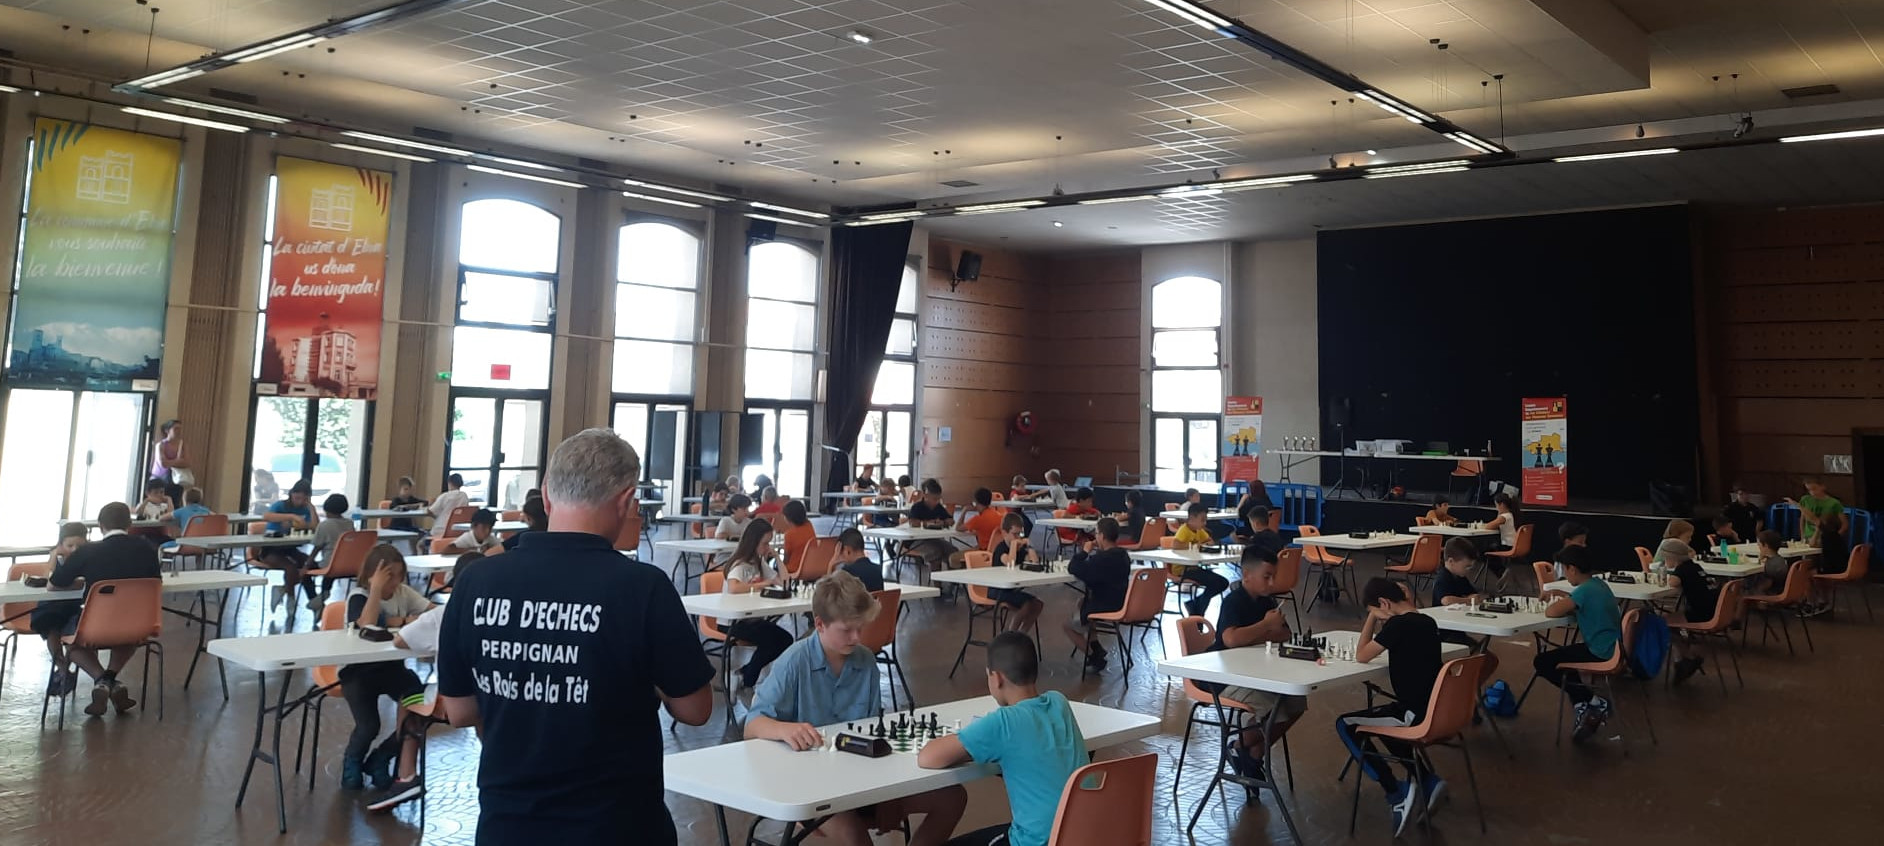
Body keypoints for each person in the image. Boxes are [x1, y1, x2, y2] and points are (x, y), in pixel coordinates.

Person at [438, 429, 713, 843]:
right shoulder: (643, 589)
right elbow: (695, 710)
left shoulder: (476, 581)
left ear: (547, 496)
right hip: (618, 826)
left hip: (508, 825)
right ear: (626, 500)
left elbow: (459, 712)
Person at [747, 572, 967, 846]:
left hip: (861, 781)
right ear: (820, 624)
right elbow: (752, 725)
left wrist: (888, 794)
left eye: (860, 628)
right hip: (811, 788)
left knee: (952, 797)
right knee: (853, 834)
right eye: (847, 630)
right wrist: (783, 728)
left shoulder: (865, 661)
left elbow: (876, 736)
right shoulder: (793, 662)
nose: (856, 637)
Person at [918, 632, 1085, 846]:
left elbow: (928, 757)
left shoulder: (1003, 722)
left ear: (996, 678)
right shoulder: (1059, 702)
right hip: (1080, 835)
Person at [1337, 578, 1445, 836]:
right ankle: (1428, 781)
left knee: (1345, 724)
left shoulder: (1397, 626)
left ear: (1384, 603)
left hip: (1414, 713)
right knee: (1386, 719)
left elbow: (1362, 655)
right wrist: (1390, 606)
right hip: (1436, 709)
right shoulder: (1427, 622)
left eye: (1375, 610)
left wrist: (1372, 618)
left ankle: (1395, 793)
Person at [340, 545, 434, 808]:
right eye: (388, 576)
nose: (395, 582)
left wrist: (397, 620)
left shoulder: (404, 592)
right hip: (357, 672)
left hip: (392, 669)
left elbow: (431, 611)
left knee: (420, 710)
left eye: (399, 575)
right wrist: (377, 591)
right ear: (372, 575)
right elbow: (367, 624)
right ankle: (352, 761)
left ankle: (381, 757)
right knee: (369, 725)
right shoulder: (359, 595)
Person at [46, 502, 160, 716]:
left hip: (96, 627)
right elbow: (156, 581)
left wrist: (80, 583)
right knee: (129, 637)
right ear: (129, 523)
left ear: (100, 526)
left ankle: (102, 679)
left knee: (73, 640)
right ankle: (110, 681)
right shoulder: (148, 548)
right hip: (137, 625)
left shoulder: (89, 551)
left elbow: (54, 584)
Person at [1201, 546, 1305, 780]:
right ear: (1247, 575)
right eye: (1266, 577)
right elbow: (1231, 639)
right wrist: (1265, 627)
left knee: (1297, 702)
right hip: (1223, 675)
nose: (1271, 583)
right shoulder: (1234, 600)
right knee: (1275, 709)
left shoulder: (1267, 602)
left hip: (1256, 671)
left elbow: (1284, 634)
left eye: (1273, 577)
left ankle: (1251, 750)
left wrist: (1261, 633)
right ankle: (1237, 746)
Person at [1535, 546, 1622, 743]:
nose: (1565, 575)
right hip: (1613, 647)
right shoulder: (1598, 584)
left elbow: (1551, 612)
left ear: (1572, 569)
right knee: (1565, 661)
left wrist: (1561, 597)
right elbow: (1579, 604)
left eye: (1564, 570)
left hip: (1600, 651)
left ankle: (1594, 702)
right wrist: (1564, 595)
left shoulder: (1584, 591)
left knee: (1542, 661)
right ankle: (1582, 705)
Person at [719, 520, 794, 693]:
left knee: (785, 640)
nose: (767, 547)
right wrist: (763, 584)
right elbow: (734, 587)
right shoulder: (740, 563)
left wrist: (776, 556)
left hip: (750, 618)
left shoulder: (758, 562)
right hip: (732, 621)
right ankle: (748, 680)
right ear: (754, 542)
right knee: (771, 641)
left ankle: (745, 674)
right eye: (765, 543)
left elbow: (783, 580)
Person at [1063, 516, 1131, 672]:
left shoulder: (1101, 559)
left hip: (1106, 604)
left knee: (1066, 625)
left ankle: (1094, 656)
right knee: (1082, 602)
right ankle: (1096, 647)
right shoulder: (1123, 556)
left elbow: (1074, 568)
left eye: (1096, 533)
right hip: (1121, 600)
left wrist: (1084, 552)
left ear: (1102, 536)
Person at [31, 522, 91, 697]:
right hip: (53, 604)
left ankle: (64, 672)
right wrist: (55, 557)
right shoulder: (56, 557)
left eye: (79, 546)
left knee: (71, 628)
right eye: (69, 545)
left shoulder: (88, 557)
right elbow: (49, 577)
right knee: (50, 625)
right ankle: (63, 669)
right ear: (61, 544)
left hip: (76, 605)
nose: (74, 550)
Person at [1659, 539, 1716, 685]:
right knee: (1672, 621)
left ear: (1673, 557)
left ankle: (1686, 657)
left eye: (1666, 558)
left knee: (1663, 622)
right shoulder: (1695, 567)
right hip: (1714, 610)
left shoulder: (1682, 570)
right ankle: (1682, 659)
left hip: (1702, 614)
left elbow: (1672, 583)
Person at [261, 480, 319, 614]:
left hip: (290, 548)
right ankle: (291, 598)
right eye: (297, 497)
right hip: (270, 549)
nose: (299, 501)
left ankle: (283, 589)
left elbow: (315, 527)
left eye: (304, 499)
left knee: (310, 565)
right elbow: (266, 516)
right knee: (290, 567)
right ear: (291, 494)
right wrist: (292, 516)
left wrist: (311, 508)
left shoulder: (305, 508)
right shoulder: (280, 505)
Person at [1169, 502, 1231, 618]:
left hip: (1194, 568)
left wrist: (1200, 543)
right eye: (1202, 520)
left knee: (1223, 582)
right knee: (1217, 583)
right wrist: (1195, 545)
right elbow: (1175, 545)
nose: (1205, 523)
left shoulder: (1198, 530)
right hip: (1183, 570)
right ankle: (1198, 607)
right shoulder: (1184, 529)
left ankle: (1196, 605)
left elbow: (1210, 541)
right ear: (1192, 518)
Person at [988, 514, 1047, 633]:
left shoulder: (1020, 549)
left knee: (1037, 604)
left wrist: (1030, 546)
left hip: (1012, 588)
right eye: (1014, 534)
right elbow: (1010, 563)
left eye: (1020, 534)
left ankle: (1022, 632)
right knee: (1026, 604)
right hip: (998, 589)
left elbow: (1034, 563)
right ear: (1005, 533)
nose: (1018, 537)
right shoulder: (1001, 549)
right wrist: (1014, 546)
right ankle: (1011, 633)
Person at [309, 493, 357, 606]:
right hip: (349, 565)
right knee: (333, 566)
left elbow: (317, 547)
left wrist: (307, 564)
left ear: (326, 509)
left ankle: (315, 600)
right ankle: (324, 593)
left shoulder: (324, 525)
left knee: (307, 571)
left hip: (330, 565)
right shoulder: (349, 524)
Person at [904, 478, 955, 572]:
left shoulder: (939, 507)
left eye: (939, 499)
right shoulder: (917, 507)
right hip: (916, 541)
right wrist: (927, 523)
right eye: (934, 499)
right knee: (935, 553)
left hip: (934, 539)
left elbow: (950, 520)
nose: (937, 501)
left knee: (952, 551)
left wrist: (945, 522)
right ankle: (937, 585)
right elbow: (912, 523)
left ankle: (953, 582)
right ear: (925, 496)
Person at [949, 487, 1004, 570]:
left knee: (953, 558)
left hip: (983, 551)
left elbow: (958, 528)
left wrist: (964, 511)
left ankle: (962, 577)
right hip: (996, 551)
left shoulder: (977, 519)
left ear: (976, 502)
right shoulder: (999, 516)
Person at [1787, 478, 1844, 546]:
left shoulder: (1834, 503)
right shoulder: (1805, 499)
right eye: (1809, 490)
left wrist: (1836, 537)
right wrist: (1802, 536)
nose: (1812, 492)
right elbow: (1803, 519)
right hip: (1808, 536)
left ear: (1822, 486)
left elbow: (1844, 524)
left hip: (1825, 537)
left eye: (1814, 489)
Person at [149, 419, 190, 504]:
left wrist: (170, 462)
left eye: (180, 429)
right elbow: (163, 464)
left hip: (176, 480)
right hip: (159, 479)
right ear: (167, 430)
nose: (179, 431)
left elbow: (187, 463)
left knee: (174, 504)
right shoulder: (161, 445)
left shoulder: (182, 445)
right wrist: (178, 461)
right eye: (176, 429)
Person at [1483, 493, 1521, 580]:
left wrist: (1498, 515)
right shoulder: (1511, 515)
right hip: (1513, 545)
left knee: (1485, 553)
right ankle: (1502, 572)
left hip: (1507, 545)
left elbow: (1488, 526)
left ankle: (1501, 572)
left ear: (1502, 505)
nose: (1496, 508)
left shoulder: (1504, 517)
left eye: (1496, 505)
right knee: (1491, 549)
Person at [779, 499, 817, 571]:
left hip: (794, 568)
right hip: (811, 567)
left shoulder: (789, 535)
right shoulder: (809, 525)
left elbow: (786, 559)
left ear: (788, 518)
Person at [1750, 528, 1788, 594]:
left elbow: (1766, 584)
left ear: (1766, 546)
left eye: (1759, 545)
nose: (1758, 547)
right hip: (1781, 590)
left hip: (1772, 592)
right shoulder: (1781, 560)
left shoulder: (1771, 565)